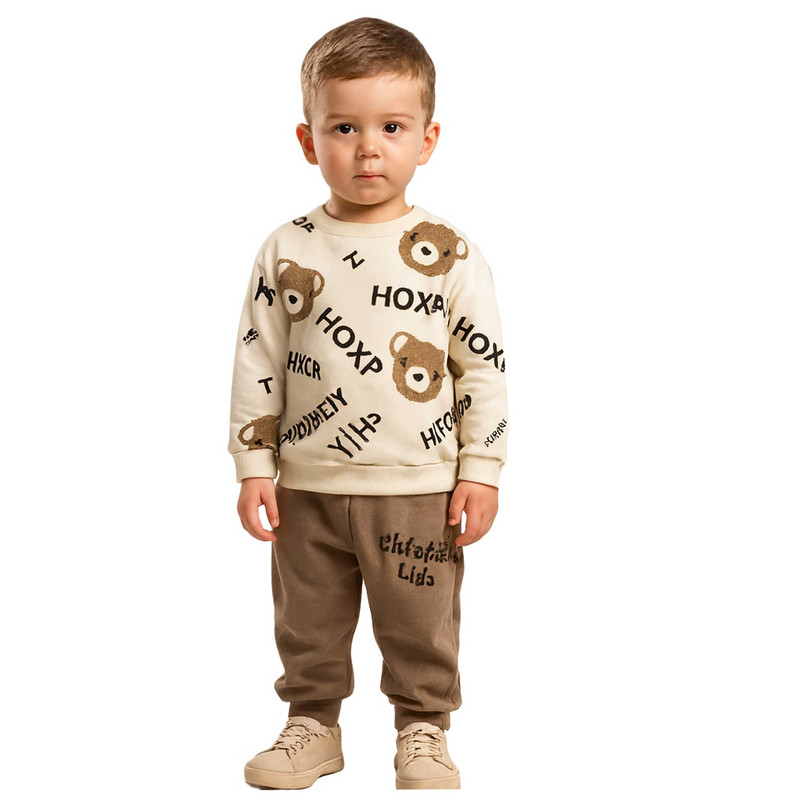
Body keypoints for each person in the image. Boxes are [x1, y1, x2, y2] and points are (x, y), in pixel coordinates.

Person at [228, 17, 509, 791]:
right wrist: (253, 465)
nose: (368, 149)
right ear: (308, 140)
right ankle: (312, 724)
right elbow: (258, 361)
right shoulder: (286, 249)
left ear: (428, 139)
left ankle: (423, 729)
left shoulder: (452, 254)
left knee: (420, 622)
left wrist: (481, 469)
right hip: (307, 484)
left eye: (392, 127)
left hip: (419, 487)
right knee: (307, 620)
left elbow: (481, 369)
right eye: (344, 128)